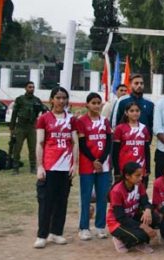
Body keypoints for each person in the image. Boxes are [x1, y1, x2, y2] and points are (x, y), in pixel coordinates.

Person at [33, 87, 78, 249]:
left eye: (64, 98)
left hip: (65, 167)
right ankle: (42, 235)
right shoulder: (44, 119)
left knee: (61, 201)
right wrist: (40, 166)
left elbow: (74, 143)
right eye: (58, 98)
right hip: (50, 166)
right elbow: (39, 143)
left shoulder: (71, 119)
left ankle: (56, 232)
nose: (61, 101)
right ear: (52, 99)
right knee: (46, 202)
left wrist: (74, 164)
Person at [76, 92, 112, 241]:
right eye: (93, 103)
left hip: (103, 165)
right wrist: (93, 160)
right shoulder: (82, 121)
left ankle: (100, 226)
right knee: (86, 197)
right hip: (87, 164)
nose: (96, 105)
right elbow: (82, 145)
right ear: (87, 104)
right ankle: (84, 227)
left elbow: (109, 142)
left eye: (99, 103)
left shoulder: (105, 121)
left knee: (102, 196)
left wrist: (101, 160)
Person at [106, 162, 157, 254]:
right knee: (142, 235)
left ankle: (137, 238)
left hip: (131, 217)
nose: (141, 178)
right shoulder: (117, 191)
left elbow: (146, 202)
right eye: (137, 175)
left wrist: (148, 210)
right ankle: (120, 238)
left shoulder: (139, 185)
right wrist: (143, 226)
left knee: (155, 217)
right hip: (117, 222)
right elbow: (121, 217)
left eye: (141, 175)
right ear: (127, 176)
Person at [10, 81, 46, 174]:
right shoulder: (20, 99)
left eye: (33, 87)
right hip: (20, 127)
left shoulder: (37, 100)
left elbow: (45, 110)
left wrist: (41, 119)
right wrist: (12, 127)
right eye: (30, 87)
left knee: (33, 148)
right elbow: (14, 114)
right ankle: (15, 168)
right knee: (17, 148)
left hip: (32, 127)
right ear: (25, 88)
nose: (32, 89)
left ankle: (33, 167)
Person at [112, 102, 151, 186]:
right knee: (124, 193)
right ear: (126, 113)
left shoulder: (144, 128)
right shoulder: (120, 128)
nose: (135, 113)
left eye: (137, 111)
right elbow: (115, 151)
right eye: (132, 111)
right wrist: (117, 169)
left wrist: (148, 168)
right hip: (124, 167)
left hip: (140, 166)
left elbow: (146, 150)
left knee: (139, 194)